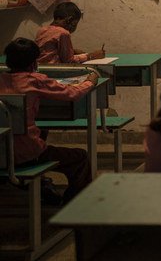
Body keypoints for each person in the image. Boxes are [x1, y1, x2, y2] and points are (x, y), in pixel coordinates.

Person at [0, 38, 97, 203]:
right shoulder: (35, 80)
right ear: (33, 63)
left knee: (42, 132)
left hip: (2, 153)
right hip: (25, 154)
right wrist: (90, 81)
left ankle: (40, 185)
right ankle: (74, 205)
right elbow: (72, 93)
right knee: (80, 157)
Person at [36, 1, 105, 64]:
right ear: (69, 20)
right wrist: (91, 56)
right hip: (54, 70)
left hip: (41, 68)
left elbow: (49, 51)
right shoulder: (63, 33)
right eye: (75, 24)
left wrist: (72, 51)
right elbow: (69, 61)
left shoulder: (42, 30)